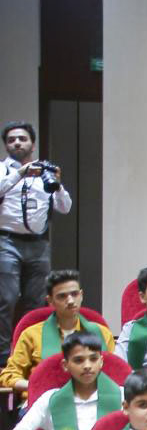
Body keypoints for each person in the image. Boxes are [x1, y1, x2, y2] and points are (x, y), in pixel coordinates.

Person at [0, 121, 73, 351]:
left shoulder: (46, 172)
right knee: (6, 299)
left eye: (22, 139)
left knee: (36, 301)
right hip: (6, 242)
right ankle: (3, 355)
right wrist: (19, 174)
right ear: (6, 146)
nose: (17, 143)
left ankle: (32, 350)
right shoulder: (2, 170)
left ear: (32, 144)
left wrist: (57, 185)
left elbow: (65, 207)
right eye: (11, 140)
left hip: (38, 244)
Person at [2, 268, 112, 396]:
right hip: (43, 400)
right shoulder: (31, 335)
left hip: (94, 400)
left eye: (74, 294)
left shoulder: (101, 333)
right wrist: (36, 386)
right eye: (62, 296)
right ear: (50, 301)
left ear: (81, 295)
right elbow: (9, 375)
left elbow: (115, 371)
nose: (70, 301)